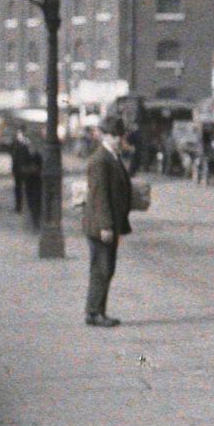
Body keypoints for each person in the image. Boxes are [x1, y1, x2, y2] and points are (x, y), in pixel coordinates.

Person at [84, 110, 134, 327]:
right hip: (101, 225)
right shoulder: (100, 160)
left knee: (107, 269)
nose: (117, 139)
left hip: (110, 223)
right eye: (113, 135)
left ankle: (98, 311)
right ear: (104, 135)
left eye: (119, 136)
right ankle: (94, 313)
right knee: (101, 269)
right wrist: (105, 226)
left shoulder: (112, 157)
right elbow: (99, 196)